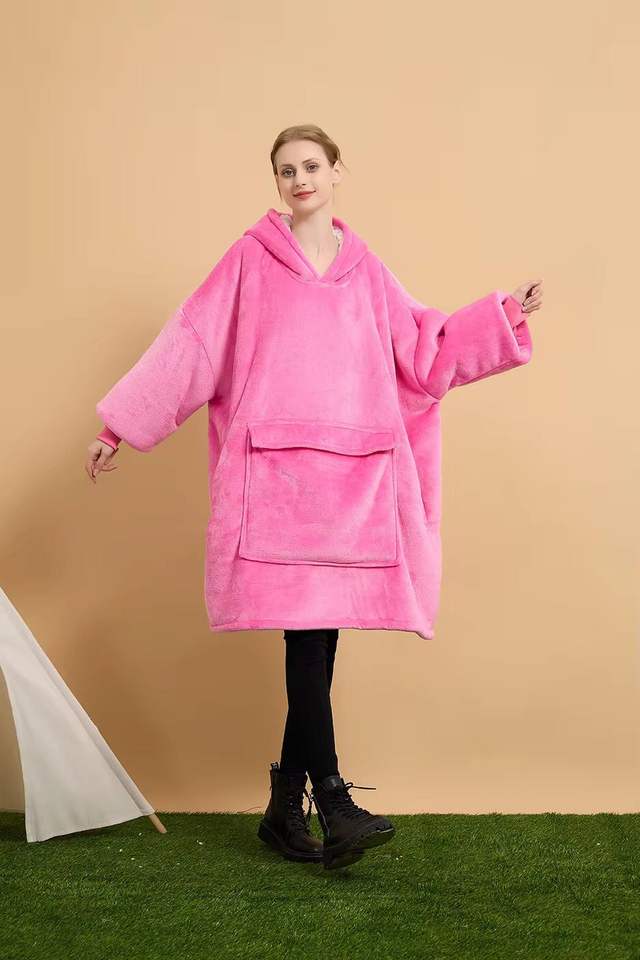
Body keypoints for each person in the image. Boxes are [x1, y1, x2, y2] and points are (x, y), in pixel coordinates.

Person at [85, 124, 543, 870]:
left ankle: (281, 808)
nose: (299, 179)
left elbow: (425, 348)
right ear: (277, 182)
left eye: (310, 166)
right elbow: (190, 345)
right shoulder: (248, 261)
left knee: (319, 643)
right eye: (285, 170)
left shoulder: (368, 272)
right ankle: (332, 799)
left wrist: (502, 315)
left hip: (350, 488)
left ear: (336, 172)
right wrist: (118, 427)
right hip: (276, 486)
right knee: (306, 640)